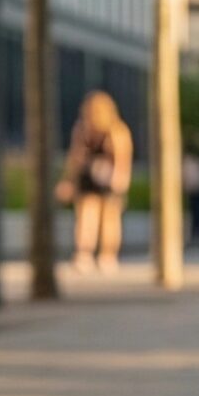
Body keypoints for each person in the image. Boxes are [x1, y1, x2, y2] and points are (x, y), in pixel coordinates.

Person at [58, 91, 133, 274]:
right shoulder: (82, 129)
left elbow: (122, 157)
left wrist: (120, 179)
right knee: (86, 216)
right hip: (88, 176)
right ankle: (84, 254)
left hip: (109, 178)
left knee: (109, 218)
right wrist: (68, 180)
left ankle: (107, 255)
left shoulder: (115, 130)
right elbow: (75, 157)